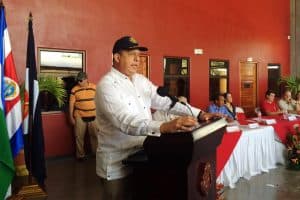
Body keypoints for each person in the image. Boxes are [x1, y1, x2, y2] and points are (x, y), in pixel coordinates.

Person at [95, 36, 215, 200]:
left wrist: (199, 114)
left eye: (139, 55)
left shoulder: (140, 81)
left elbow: (166, 102)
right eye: (131, 55)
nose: (137, 60)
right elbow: (125, 121)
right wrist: (163, 126)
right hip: (117, 164)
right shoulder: (106, 86)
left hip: (145, 156)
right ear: (117, 57)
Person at [69, 72, 98, 161]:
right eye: (78, 81)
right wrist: (71, 117)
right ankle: (80, 155)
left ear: (86, 79)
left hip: (93, 115)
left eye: (81, 80)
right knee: (79, 137)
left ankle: (95, 154)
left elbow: (100, 101)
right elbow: (71, 104)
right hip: (79, 116)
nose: (79, 82)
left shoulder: (94, 87)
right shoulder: (74, 90)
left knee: (95, 136)